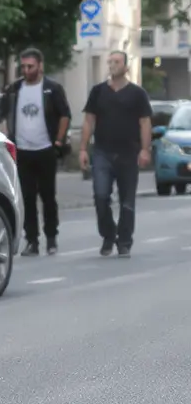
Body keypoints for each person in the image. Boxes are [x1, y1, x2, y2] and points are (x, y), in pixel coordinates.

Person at [78, 50, 153, 257]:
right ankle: (109, 234)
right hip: (102, 152)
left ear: (126, 67)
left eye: (117, 61)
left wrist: (145, 149)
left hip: (129, 153)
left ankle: (125, 241)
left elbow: (145, 122)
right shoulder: (98, 92)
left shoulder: (137, 94)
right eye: (110, 61)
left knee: (127, 200)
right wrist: (83, 148)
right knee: (101, 197)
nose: (112, 65)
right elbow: (89, 120)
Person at [0, 48, 71, 256]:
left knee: (48, 196)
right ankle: (31, 239)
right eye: (23, 66)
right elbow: (4, 116)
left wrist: (58, 141)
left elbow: (65, 114)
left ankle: (51, 237)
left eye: (30, 66)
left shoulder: (52, 89)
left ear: (40, 66)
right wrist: (8, 138)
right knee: (27, 198)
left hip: (45, 149)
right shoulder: (14, 90)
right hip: (22, 150)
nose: (26, 70)